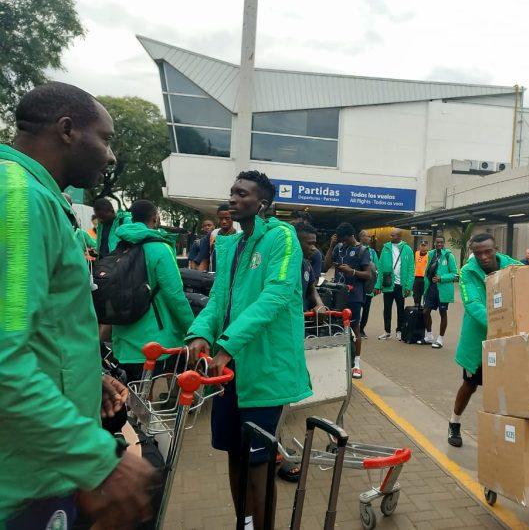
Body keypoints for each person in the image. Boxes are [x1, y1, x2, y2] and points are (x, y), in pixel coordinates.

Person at [0, 82, 156, 528]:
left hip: (43, 471)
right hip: (20, 484)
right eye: (105, 139)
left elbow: (44, 327)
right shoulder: (18, 199)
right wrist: (99, 459)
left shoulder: (40, 196)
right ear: (67, 130)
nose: (109, 156)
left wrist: (89, 374)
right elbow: (4, 354)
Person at [186, 170, 311, 528]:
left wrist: (226, 344)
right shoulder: (227, 245)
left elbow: (276, 294)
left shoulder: (281, 237)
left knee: (259, 460)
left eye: (242, 194)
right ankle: (245, 523)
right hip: (228, 370)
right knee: (233, 451)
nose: (234, 198)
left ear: (263, 204)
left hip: (264, 367)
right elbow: (218, 300)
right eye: (232, 192)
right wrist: (201, 334)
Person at [449, 233, 522, 447]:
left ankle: (500, 433)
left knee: (504, 388)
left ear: (496, 248)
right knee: (470, 385)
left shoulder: (514, 267)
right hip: (480, 340)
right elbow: (472, 304)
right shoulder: (467, 272)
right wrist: (500, 325)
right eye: (478, 253)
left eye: (487, 251)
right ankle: (455, 421)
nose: (483, 256)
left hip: (509, 339)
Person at [111, 200, 195, 382]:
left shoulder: (120, 245)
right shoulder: (160, 248)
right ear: (155, 218)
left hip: (123, 338)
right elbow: (175, 295)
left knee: (127, 397)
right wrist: (192, 330)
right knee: (148, 400)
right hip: (155, 341)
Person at [324, 222, 372, 379]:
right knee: (335, 327)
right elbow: (326, 266)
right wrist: (331, 246)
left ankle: (357, 364)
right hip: (338, 294)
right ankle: (339, 360)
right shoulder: (338, 248)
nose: (342, 242)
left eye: (344, 239)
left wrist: (352, 271)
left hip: (355, 296)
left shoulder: (362, 250)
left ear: (351, 236)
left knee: (354, 328)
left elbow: (368, 275)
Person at [374, 228, 415, 340]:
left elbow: (411, 269)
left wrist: (408, 286)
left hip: (400, 285)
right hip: (388, 284)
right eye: (391, 235)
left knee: (400, 309)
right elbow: (381, 267)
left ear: (400, 236)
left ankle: (399, 331)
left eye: (394, 235)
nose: (391, 237)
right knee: (387, 309)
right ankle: (387, 331)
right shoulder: (386, 248)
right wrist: (377, 285)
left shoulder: (407, 250)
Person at [421, 236, 458, 349]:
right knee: (426, 311)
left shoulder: (449, 256)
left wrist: (441, 278)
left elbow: (455, 274)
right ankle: (429, 336)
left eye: (441, 242)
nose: (439, 244)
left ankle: (440, 339)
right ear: (434, 243)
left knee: (443, 313)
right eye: (437, 242)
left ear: (444, 243)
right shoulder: (431, 254)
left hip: (443, 290)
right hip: (431, 288)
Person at [295, 221, 326, 313]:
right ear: (296, 242)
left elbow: (312, 289)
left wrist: (320, 304)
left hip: (302, 316)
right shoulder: (281, 264)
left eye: (314, 243)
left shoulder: (307, 265)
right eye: (309, 243)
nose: (313, 248)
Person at [198, 203, 237, 272]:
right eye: (221, 219)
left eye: (227, 218)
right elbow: (204, 259)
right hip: (214, 276)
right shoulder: (212, 235)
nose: (224, 221)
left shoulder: (239, 236)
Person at [359, 230, 379, 339]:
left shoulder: (372, 252)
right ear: (361, 237)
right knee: (356, 308)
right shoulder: (356, 248)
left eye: (370, 237)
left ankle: (361, 329)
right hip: (358, 284)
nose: (369, 238)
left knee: (366, 309)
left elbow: (376, 268)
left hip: (368, 285)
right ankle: (354, 328)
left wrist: (376, 285)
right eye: (367, 236)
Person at [413, 240, 430, 306]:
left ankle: (425, 306)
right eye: (422, 245)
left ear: (427, 246)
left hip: (424, 277)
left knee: (425, 292)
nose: (423, 247)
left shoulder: (429, 255)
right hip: (416, 277)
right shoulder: (416, 253)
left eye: (424, 246)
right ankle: (417, 305)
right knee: (416, 293)